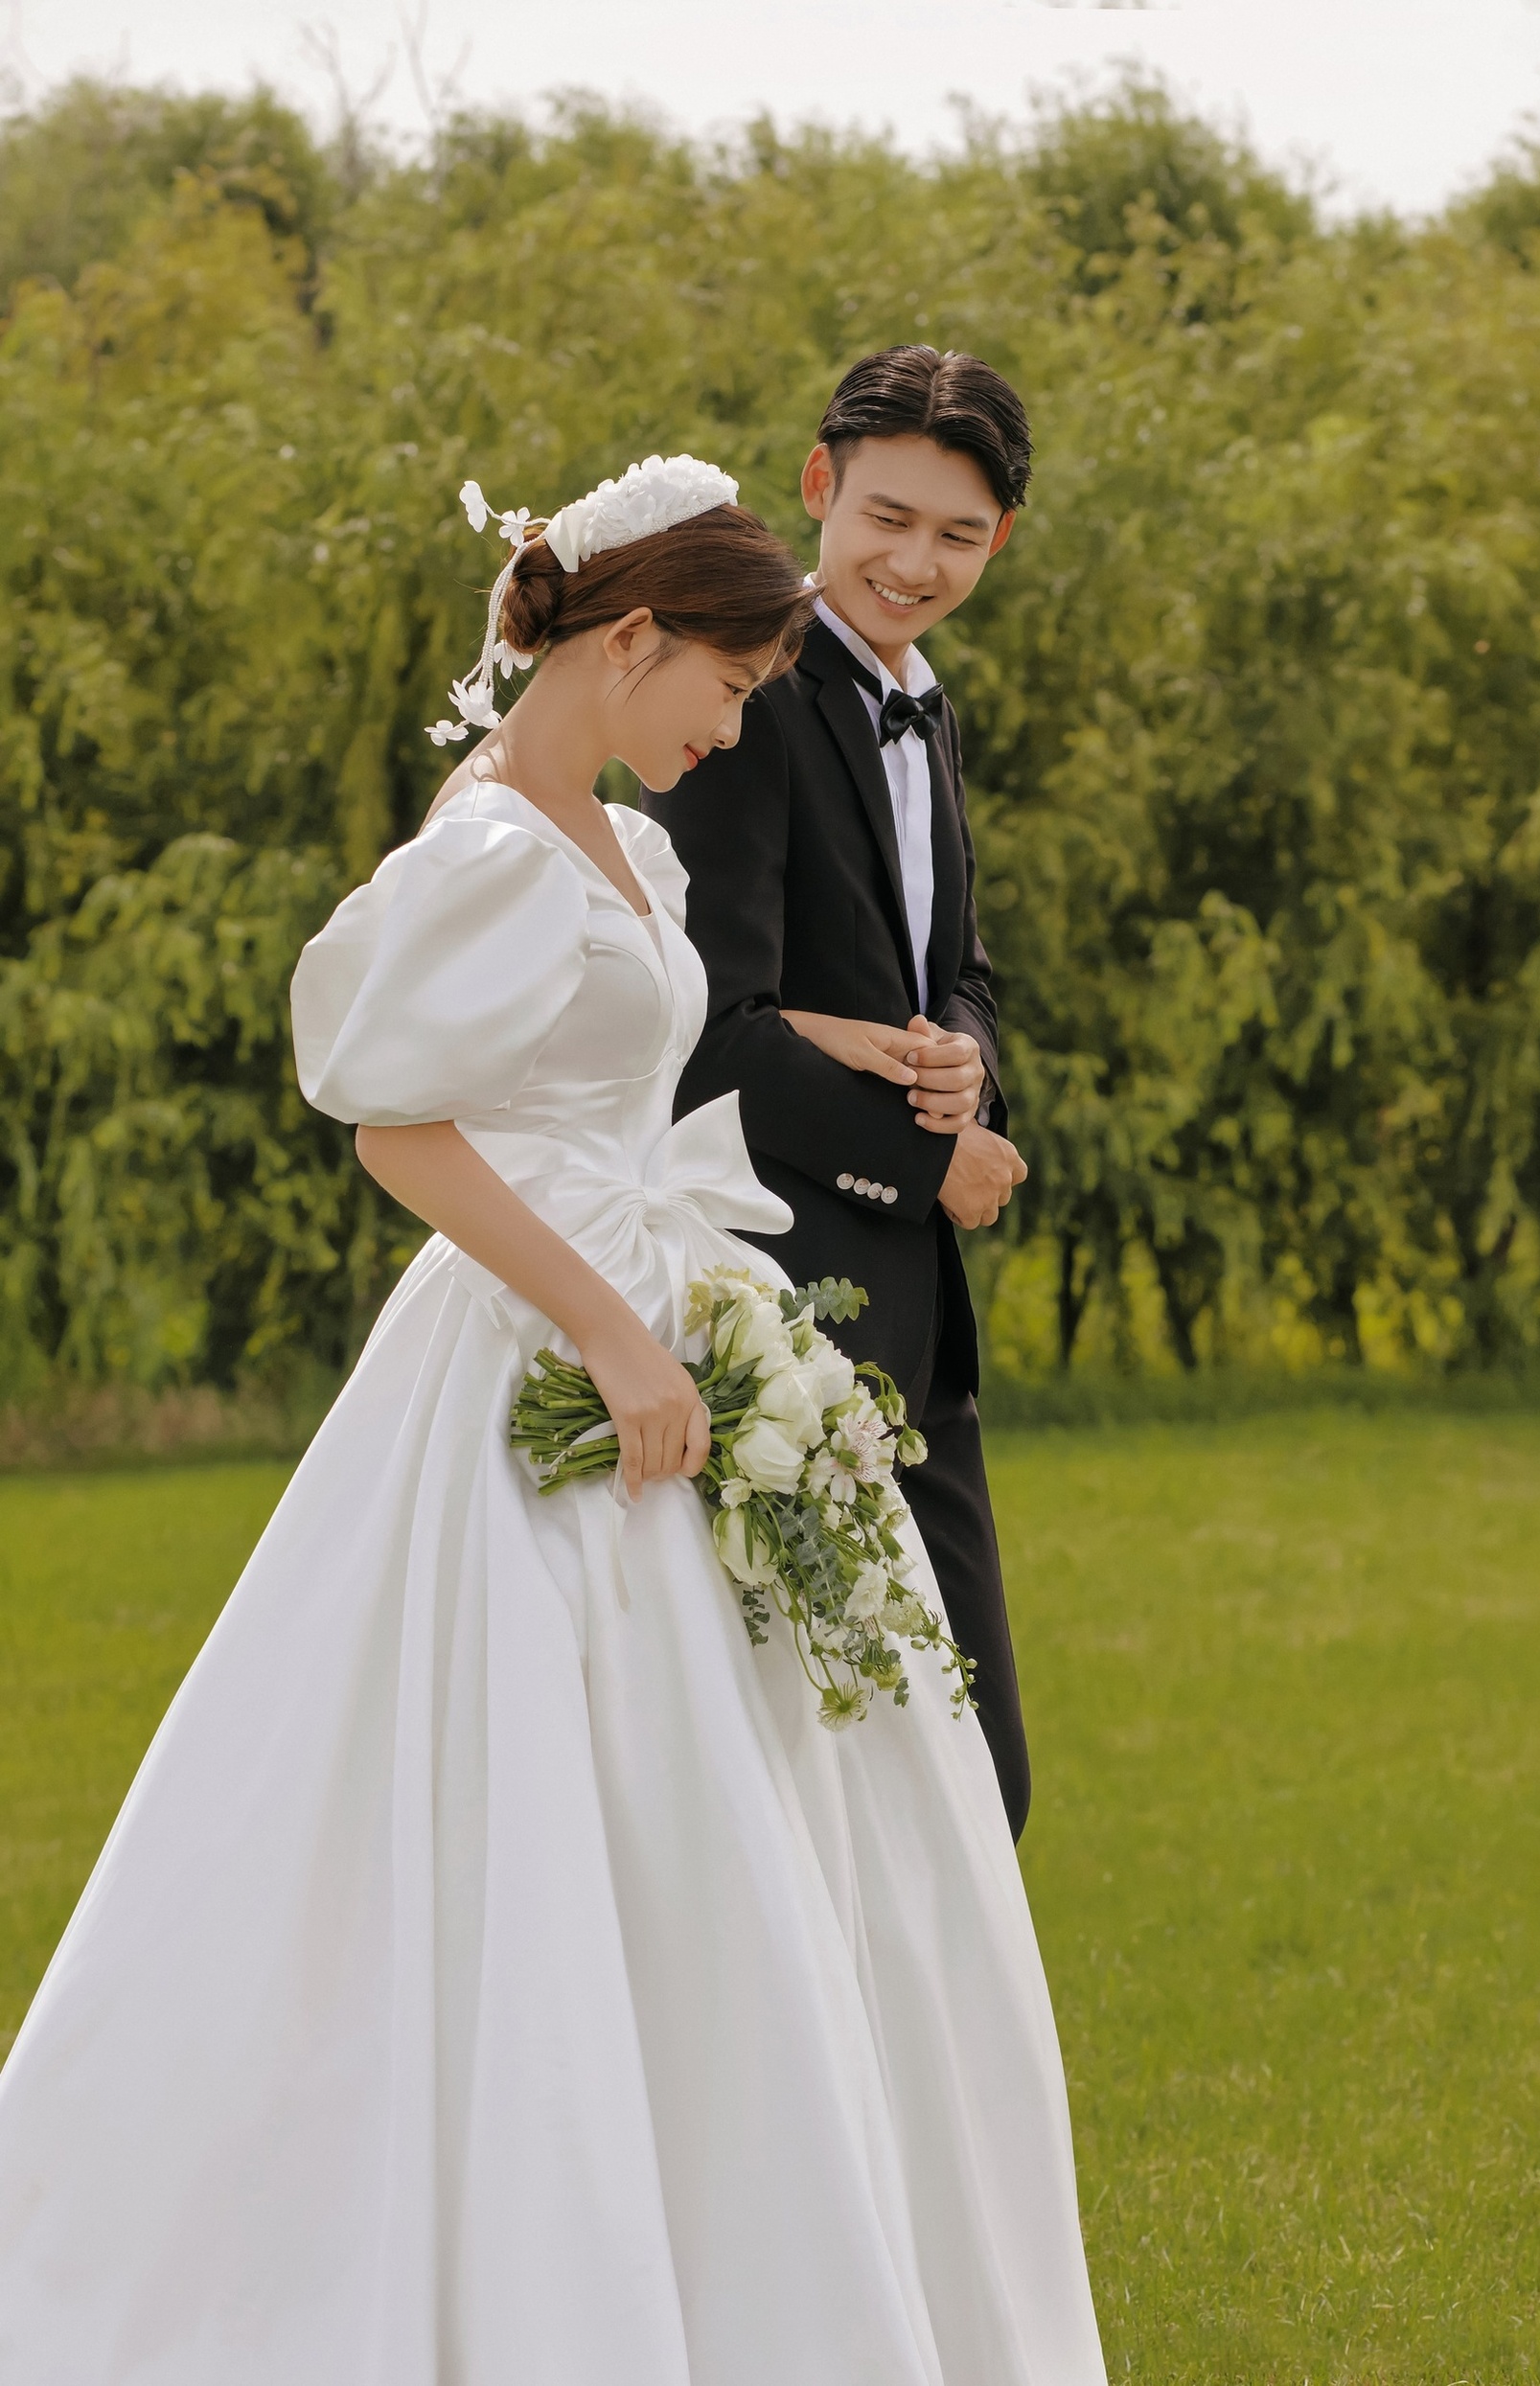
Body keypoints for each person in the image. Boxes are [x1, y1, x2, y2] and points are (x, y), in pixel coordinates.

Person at [0, 456, 1106, 2385]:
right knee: (540, 1786)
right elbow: (400, 1128)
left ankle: (742, 2240)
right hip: (548, 1344)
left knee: (757, 1800)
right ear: (632, 637)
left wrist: (830, 1057)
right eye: (729, 689)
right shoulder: (495, 846)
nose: (733, 730)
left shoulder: (628, 844)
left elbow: (643, 1053)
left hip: (671, 1305)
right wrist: (610, 1333)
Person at [645, 345, 1034, 1839]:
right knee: (846, 1808)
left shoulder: (927, 707)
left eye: (956, 534)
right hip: (784, 1304)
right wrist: (926, 1161)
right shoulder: (735, 699)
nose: (913, 563)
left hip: (917, 1333)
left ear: (998, 539)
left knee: (975, 1789)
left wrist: (967, 1061)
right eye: (886, 517)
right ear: (818, 485)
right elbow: (702, 1031)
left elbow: (959, 970)